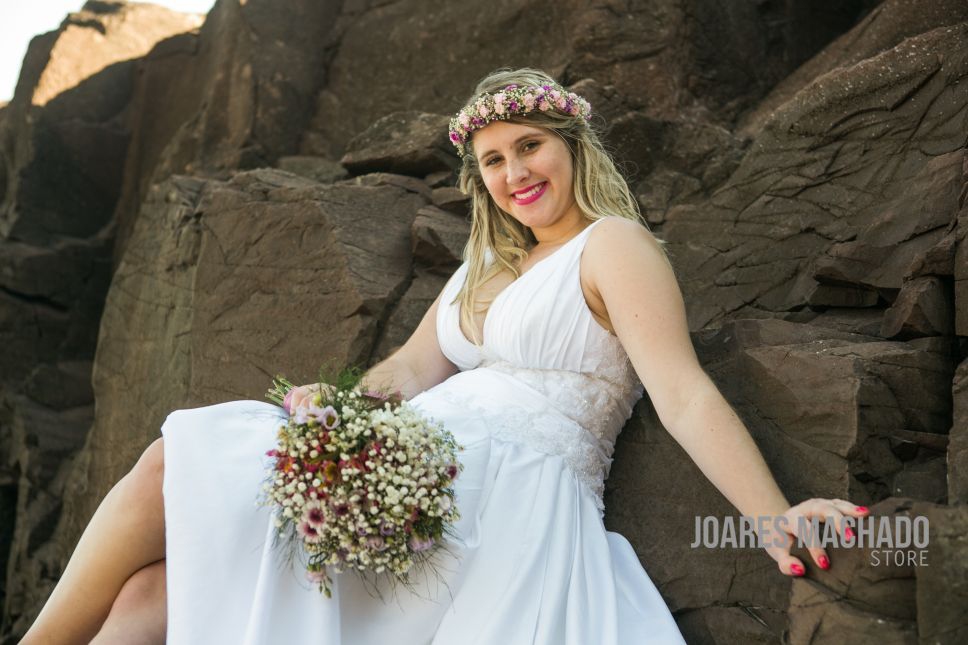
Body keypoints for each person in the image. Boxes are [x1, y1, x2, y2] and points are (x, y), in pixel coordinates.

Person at [23, 67, 868, 644]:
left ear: (571, 144)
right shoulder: (487, 263)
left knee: (172, 484)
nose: (514, 174)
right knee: (148, 588)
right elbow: (413, 368)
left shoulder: (614, 247)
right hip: (402, 463)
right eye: (493, 161)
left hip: (497, 503)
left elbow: (681, 392)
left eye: (529, 147)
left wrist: (773, 514)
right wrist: (342, 400)